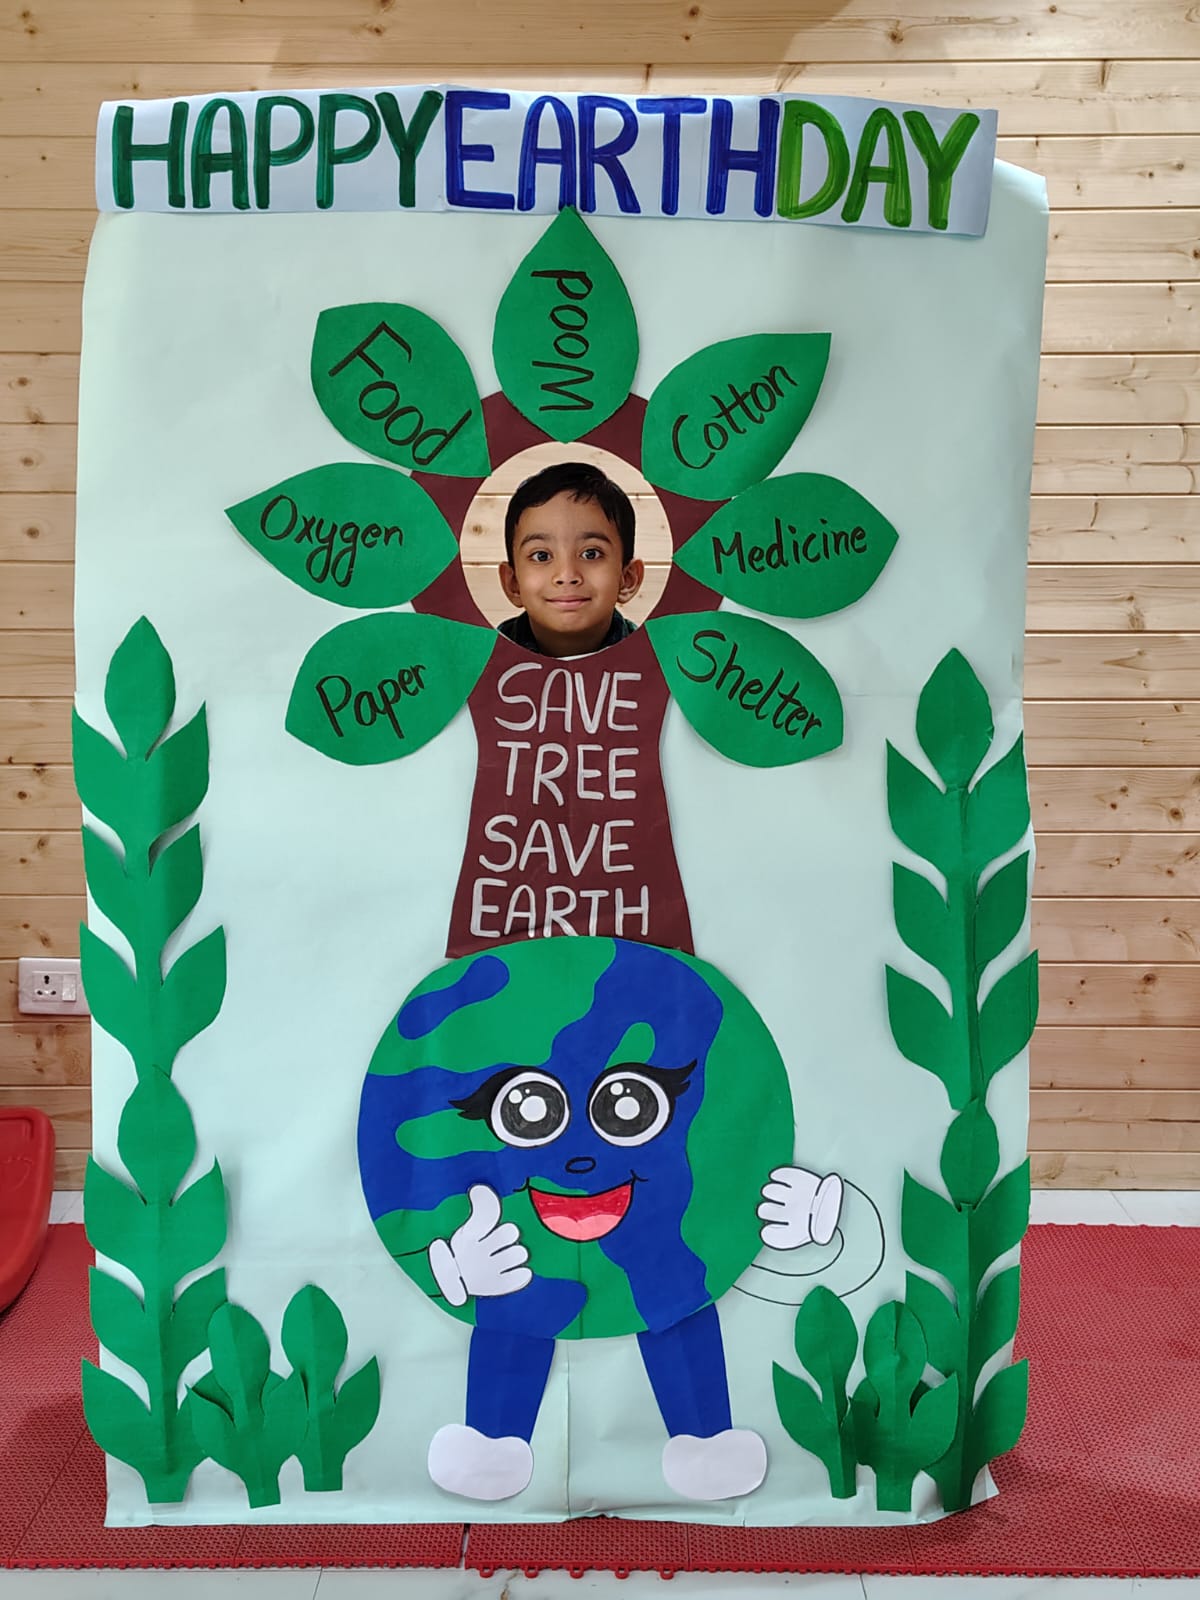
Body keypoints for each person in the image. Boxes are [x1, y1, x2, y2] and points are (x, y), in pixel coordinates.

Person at [497, 461, 645, 657]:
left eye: (590, 554)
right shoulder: (475, 665)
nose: (566, 576)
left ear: (627, 579)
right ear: (513, 583)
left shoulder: (659, 666)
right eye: (541, 556)